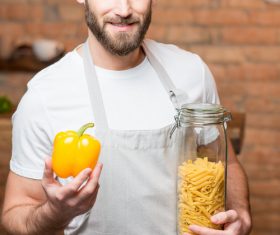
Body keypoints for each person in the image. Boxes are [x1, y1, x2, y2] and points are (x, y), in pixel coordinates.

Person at [1, 0, 252, 234]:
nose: (124, 9)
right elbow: (14, 213)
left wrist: (240, 211)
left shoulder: (191, 71)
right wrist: (53, 213)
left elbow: (225, 164)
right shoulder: (45, 95)